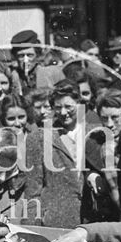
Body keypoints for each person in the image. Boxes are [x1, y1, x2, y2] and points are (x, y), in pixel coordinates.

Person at [24, 79, 86, 228]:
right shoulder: (40, 137)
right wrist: (30, 231)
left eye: (68, 107)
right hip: (56, 224)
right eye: (58, 108)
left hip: (91, 223)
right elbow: (33, 191)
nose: (63, 113)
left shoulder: (94, 133)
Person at [82, 89, 121, 222]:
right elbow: (84, 168)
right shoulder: (93, 141)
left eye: (115, 118)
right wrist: (91, 175)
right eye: (104, 118)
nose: (109, 124)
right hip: (104, 217)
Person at [10, 29, 64, 94]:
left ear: (37, 55)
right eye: (21, 56)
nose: (25, 60)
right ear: (15, 57)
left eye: (30, 55)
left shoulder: (54, 73)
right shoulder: (10, 77)